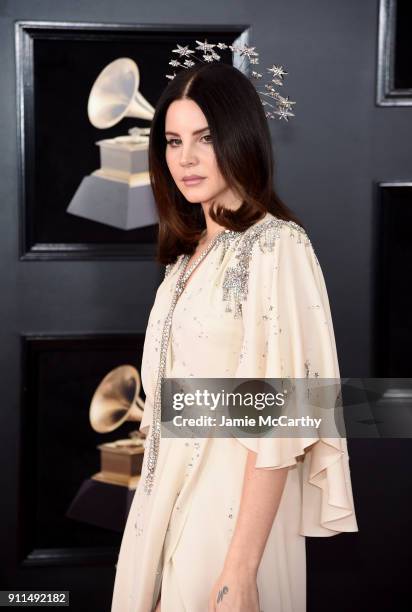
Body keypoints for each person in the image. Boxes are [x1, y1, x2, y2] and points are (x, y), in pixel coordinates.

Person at [111, 61, 358, 612]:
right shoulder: (185, 260)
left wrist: (240, 569)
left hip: (229, 522)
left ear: (241, 138)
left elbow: (285, 416)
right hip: (161, 507)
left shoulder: (278, 247)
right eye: (173, 141)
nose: (186, 158)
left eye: (206, 138)